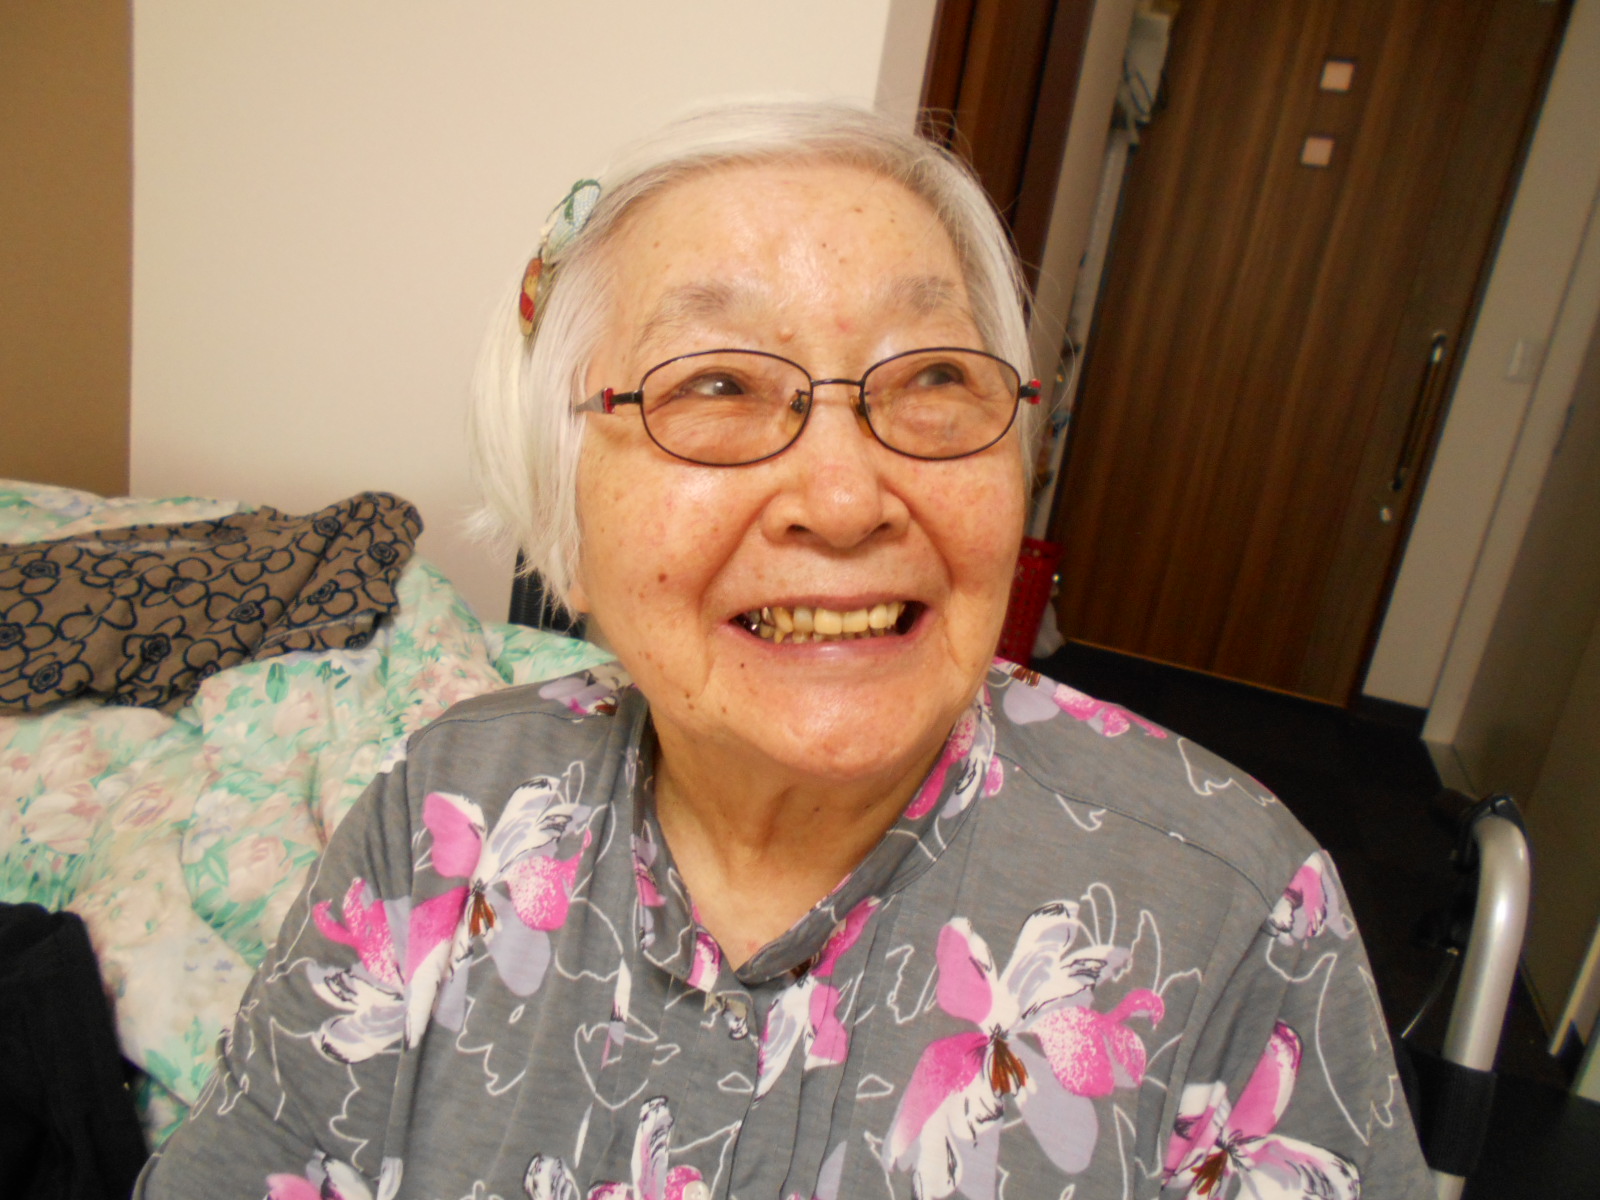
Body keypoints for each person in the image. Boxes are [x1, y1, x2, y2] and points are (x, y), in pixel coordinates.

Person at [137, 101, 1431, 1199]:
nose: (847, 499)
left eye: (933, 377)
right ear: (563, 522)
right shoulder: (446, 810)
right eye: (717, 385)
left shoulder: (1232, 910)